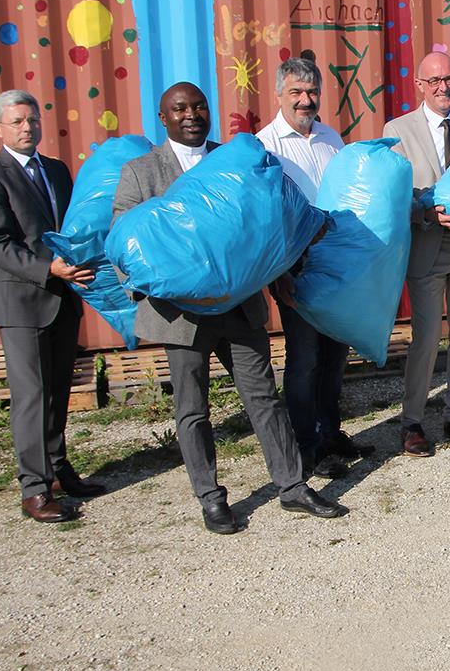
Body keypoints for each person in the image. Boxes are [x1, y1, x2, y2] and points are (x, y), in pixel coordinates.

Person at [111, 82, 346, 534]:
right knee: (193, 408)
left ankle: (292, 486)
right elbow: (124, 240)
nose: (191, 114)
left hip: (238, 307)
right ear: (163, 118)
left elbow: (263, 232)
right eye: (180, 108)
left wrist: (283, 278)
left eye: (198, 106)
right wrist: (146, 288)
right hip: (180, 315)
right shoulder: (141, 172)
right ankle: (210, 498)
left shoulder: (235, 157)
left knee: (263, 398)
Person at [0, 89, 100, 523]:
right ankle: (34, 489)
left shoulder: (58, 171)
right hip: (22, 303)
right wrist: (50, 271)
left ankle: (58, 470)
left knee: (59, 389)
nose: (28, 128)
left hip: (62, 300)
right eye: (18, 122)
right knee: (31, 397)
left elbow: (72, 229)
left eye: (33, 120)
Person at [256, 57, 374, 478]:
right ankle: (305, 445)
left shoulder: (329, 137)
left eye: (311, 93)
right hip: (297, 265)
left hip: (335, 263)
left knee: (335, 354)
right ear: (279, 95)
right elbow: (266, 218)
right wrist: (278, 275)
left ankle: (330, 432)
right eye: (296, 93)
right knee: (303, 358)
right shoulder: (265, 145)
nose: (305, 101)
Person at [381, 52, 450, 457]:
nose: (444, 87)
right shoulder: (398, 130)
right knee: (427, 339)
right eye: (435, 81)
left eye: (449, 79)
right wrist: (425, 211)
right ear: (419, 85)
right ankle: (412, 421)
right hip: (427, 246)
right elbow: (394, 196)